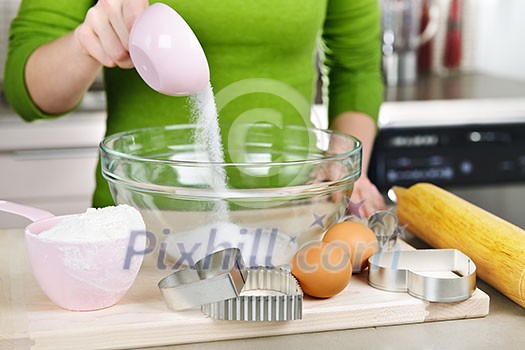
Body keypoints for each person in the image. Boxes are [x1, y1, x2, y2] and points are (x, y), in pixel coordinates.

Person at [4, 0, 386, 217]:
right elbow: (28, 91)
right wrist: (87, 43)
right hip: (144, 225)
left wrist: (342, 161)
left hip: (290, 218)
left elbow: (357, 67)